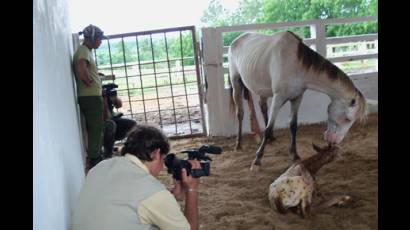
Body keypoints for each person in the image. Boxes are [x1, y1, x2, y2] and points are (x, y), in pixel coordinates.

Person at [71, 125, 201, 230]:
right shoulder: (154, 192)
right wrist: (192, 189)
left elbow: (124, 197)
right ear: (156, 154)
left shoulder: (101, 166)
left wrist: (172, 197)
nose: (162, 167)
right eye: (163, 160)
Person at [73, 24, 107, 169]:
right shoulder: (83, 51)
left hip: (90, 96)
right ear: (92, 38)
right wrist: (89, 81)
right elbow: (81, 68)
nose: (100, 42)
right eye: (99, 39)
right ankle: (94, 158)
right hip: (90, 96)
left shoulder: (85, 51)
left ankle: (96, 155)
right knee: (96, 127)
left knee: (97, 126)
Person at [102, 85, 137, 158]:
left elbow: (119, 105)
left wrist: (114, 97)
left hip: (112, 119)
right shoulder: (99, 98)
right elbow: (106, 117)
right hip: (104, 121)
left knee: (133, 124)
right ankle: (108, 152)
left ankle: (130, 148)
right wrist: (104, 99)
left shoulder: (107, 95)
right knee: (111, 125)